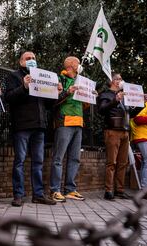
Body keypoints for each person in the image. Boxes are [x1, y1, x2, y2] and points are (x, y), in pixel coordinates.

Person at [4, 51, 57, 207]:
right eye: (28, 58)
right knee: (19, 161)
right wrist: (24, 86)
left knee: (38, 162)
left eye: (34, 58)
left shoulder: (41, 77)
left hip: (39, 126)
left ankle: (38, 195)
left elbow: (47, 105)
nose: (32, 60)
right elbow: (9, 97)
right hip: (22, 125)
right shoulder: (14, 77)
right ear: (21, 62)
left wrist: (55, 93)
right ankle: (18, 195)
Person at [49, 56, 85, 202]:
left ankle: (70, 190)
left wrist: (90, 97)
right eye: (78, 63)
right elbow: (53, 101)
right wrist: (67, 92)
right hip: (64, 122)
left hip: (79, 123)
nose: (80, 65)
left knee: (75, 159)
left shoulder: (81, 81)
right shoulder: (59, 79)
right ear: (70, 65)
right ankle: (55, 190)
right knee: (58, 158)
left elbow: (84, 105)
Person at [97, 73, 131, 200]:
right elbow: (101, 110)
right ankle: (108, 190)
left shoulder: (125, 95)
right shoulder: (106, 94)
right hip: (112, 130)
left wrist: (140, 101)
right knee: (112, 162)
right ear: (111, 81)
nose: (120, 81)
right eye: (117, 79)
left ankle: (120, 190)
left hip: (125, 131)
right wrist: (115, 100)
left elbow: (130, 113)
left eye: (121, 79)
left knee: (123, 163)